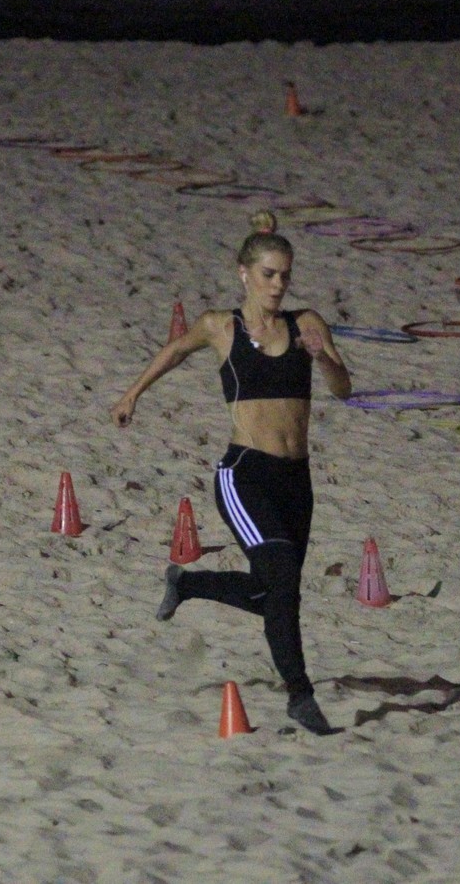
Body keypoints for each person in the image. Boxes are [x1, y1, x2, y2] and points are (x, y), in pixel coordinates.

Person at [111, 211, 352, 735]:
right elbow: (176, 350)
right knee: (282, 581)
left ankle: (188, 583)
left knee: (275, 593)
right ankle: (300, 695)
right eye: (268, 274)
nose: (278, 285)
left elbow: (343, 388)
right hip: (245, 476)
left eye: (285, 275)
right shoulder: (222, 326)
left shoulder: (307, 324)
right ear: (244, 273)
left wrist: (324, 360)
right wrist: (132, 394)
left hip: (297, 481)